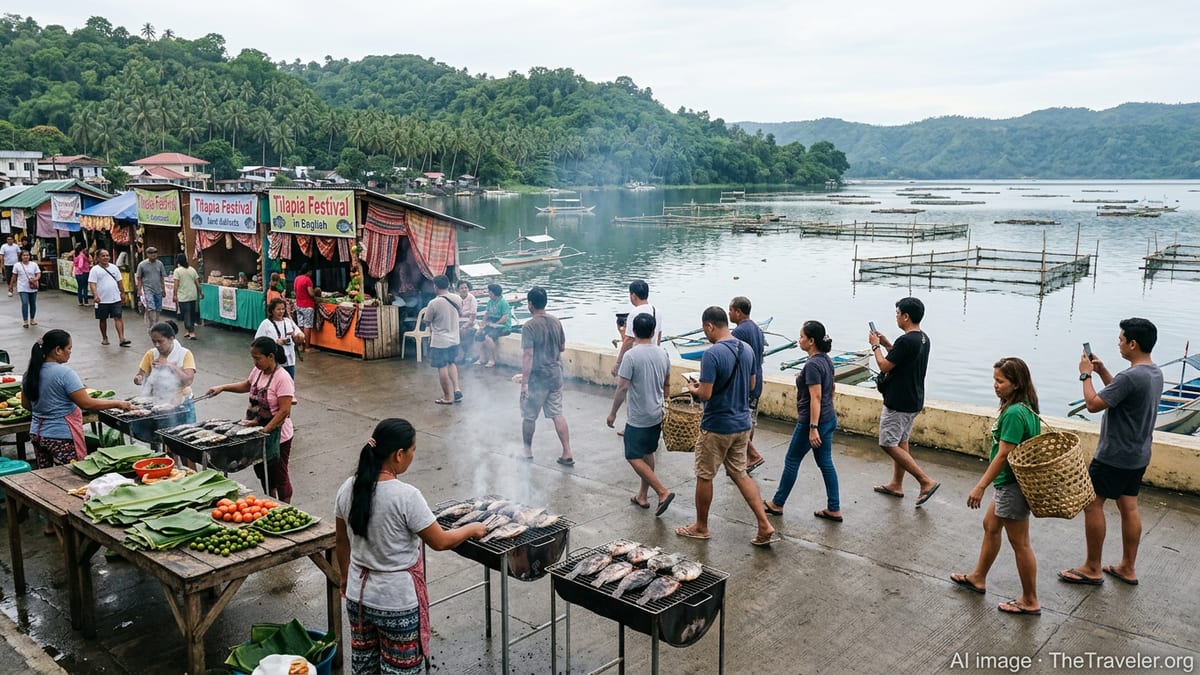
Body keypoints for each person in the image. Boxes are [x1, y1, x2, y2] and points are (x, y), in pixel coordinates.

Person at [335, 419, 487, 674]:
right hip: (396, 603)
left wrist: (343, 576)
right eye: (413, 451)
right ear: (399, 454)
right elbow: (440, 541)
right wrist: (472, 528)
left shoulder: (348, 487)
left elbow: (341, 541)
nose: (413, 457)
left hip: (358, 596)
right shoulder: (406, 496)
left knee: (365, 667)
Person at [1059, 318, 1162, 587]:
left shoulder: (1130, 376)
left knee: (1092, 504)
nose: (1118, 343)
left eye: (1120, 339)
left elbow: (1094, 405)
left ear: (1132, 343)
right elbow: (1119, 393)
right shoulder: (1153, 373)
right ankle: (1128, 567)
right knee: (1129, 507)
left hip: (1114, 455)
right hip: (1138, 454)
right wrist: (1103, 370)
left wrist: (1085, 374)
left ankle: (1092, 567)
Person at [675, 306, 777, 546]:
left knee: (704, 475)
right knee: (740, 474)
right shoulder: (747, 349)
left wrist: (694, 389)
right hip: (742, 424)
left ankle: (701, 527)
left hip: (717, 425)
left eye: (705, 330)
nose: (705, 334)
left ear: (710, 326)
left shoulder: (712, 354)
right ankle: (764, 524)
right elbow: (752, 385)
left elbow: (706, 394)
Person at [951, 357, 1043, 615]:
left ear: (1016, 383)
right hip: (1009, 485)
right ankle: (978, 577)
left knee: (1020, 543)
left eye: (1000, 381)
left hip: (1012, 486)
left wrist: (980, 486)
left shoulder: (1014, 414)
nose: (995, 386)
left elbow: (1003, 455)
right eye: (994, 380)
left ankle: (1030, 599)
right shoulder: (1026, 407)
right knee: (991, 526)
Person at [21, 330, 132, 472]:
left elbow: (26, 404)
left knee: (46, 476)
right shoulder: (65, 374)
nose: (70, 352)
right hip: (61, 437)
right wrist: (118, 403)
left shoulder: (29, 373)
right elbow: (87, 404)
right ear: (57, 350)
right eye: (69, 348)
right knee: (71, 477)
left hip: (37, 434)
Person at [764, 320, 842, 522]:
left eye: (801, 337)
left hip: (813, 422)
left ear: (811, 341)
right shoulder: (826, 360)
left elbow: (815, 397)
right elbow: (831, 390)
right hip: (829, 417)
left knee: (792, 460)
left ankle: (777, 503)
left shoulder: (813, 365)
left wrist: (813, 427)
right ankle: (834, 508)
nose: (799, 340)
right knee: (825, 463)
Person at [868, 296, 940, 506]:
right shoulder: (922, 338)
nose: (897, 317)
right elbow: (901, 357)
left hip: (898, 401)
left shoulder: (906, 340)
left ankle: (925, 481)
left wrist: (875, 347)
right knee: (901, 441)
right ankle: (896, 484)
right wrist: (887, 343)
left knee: (888, 443)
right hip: (914, 399)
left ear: (906, 317)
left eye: (898, 313)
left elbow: (884, 366)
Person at [206, 337, 296, 503]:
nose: (255, 362)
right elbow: (247, 385)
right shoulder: (258, 371)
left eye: (257, 358)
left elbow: (284, 411)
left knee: (279, 474)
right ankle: (271, 502)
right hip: (256, 431)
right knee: (263, 472)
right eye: (252, 358)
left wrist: (265, 431)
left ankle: (287, 507)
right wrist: (222, 388)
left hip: (278, 436)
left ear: (270, 356)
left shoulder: (282, 378)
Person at [607, 312, 675, 516]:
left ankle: (662, 492)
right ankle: (642, 496)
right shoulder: (663, 353)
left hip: (639, 416)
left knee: (632, 455)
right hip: (656, 413)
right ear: (653, 331)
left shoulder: (631, 355)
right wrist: (665, 406)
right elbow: (667, 384)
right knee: (648, 453)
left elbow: (622, 388)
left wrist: (612, 413)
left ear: (634, 331)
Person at [520, 286, 574, 465]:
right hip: (556, 375)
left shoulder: (529, 326)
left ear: (530, 304)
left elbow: (528, 355)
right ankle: (567, 452)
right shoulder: (556, 321)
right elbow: (562, 347)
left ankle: (527, 451)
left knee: (529, 416)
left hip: (538, 378)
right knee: (557, 414)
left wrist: (524, 383)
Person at [131, 321, 197, 446]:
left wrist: (171, 366)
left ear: (171, 339)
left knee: (183, 444)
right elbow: (140, 374)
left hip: (181, 403)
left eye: (160, 341)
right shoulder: (151, 354)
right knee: (158, 439)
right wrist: (138, 378)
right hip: (158, 403)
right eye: (153, 341)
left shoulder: (184, 354)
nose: (157, 345)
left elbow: (188, 380)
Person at [729, 296, 766, 471]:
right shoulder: (757, 329)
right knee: (750, 419)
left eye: (730, 310)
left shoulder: (738, 333)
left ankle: (750, 455)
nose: (729, 313)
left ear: (738, 312)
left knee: (741, 420)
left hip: (746, 382)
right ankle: (746, 456)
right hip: (757, 378)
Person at [612, 280, 663, 376]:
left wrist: (618, 363)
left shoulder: (634, 313)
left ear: (633, 296)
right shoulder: (657, 311)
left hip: (637, 358)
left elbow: (628, 340)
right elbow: (659, 334)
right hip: (653, 357)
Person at [425, 274, 463, 405]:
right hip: (454, 339)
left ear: (435, 286)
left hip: (440, 341)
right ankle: (457, 389)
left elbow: (427, 321)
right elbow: (461, 313)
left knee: (442, 367)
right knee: (451, 363)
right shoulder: (457, 298)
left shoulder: (433, 303)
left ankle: (447, 397)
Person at [87, 249, 131, 347]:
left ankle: (121, 338)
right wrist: (95, 295)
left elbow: (120, 281)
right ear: (98, 258)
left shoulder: (114, 268)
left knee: (118, 317)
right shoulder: (95, 270)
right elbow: (92, 284)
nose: (106, 257)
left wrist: (122, 293)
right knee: (103, 319)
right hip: (102, 299)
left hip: (115, 298)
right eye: (103, 256)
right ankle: (105, 337)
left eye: (107, 255)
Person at [256, 298, 304, 381]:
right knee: (273, 385)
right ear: (272, 310)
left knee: (288, 384)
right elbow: (258, 342)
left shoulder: (288, 321)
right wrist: (275, 343)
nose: (281, 311)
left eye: (283, 309)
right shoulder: (266, 323)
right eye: (278, 309)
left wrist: (299, 337)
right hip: (273, 362)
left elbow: (300, 335)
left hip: (289, 361)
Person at [475, 283, 512, 368]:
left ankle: (492, 359)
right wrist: (482, 325)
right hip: (492, 324)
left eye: (489, 292)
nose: (488, 294)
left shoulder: (503, 303)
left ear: (493, 293)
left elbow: (505, 317)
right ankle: (482, 358)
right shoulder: (490, 302)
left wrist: (496, 324)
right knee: (478, 335)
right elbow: (487, 314)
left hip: (503, 326)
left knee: (488, 337)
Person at [135, 246, 167, 331]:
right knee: (151, 306)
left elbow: (162, 277)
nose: (153, 255)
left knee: (158, 308)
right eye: (151, 253)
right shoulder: (142, 265)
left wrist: (163, 289)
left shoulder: (160, 264)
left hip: (158, 288)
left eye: (155, 253)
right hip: (148, 288)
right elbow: (139, 278)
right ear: (147, 254)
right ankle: (153, 325)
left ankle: (156, 322)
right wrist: (139, 289)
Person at [173, 253, 202, 340]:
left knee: (186, 314)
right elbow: (198, 284)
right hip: (193, 295)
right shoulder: (192, 270)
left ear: (178, 261)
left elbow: (176, 285)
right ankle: (187, 331)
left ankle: (192, 332)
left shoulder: (177, 271)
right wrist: (201, 293)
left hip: (183, 296)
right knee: (191, 313)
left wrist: (174, 295)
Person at [10, 249, 40, 328]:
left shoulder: (34, 264)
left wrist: (35, 279)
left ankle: (32, 319)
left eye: (27, 255)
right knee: (25, 303)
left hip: (33, 287)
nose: (26, 257)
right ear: (21, 257)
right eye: (24, 255)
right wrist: (11, 286)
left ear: (29, 256)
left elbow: (38, 274)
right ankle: (25, 321)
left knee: (33, 303)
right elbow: (14, 276)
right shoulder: (17, 265)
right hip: (22, 287)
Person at [293, 266, 318, 351]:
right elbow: (311, 293)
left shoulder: (297, 278)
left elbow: (295, 290)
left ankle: (300, 346)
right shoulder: (307, 280)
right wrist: (316, 294)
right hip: (307, 306)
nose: (311, 274)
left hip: (298, 305)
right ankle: (307, 347)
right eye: (310, 272)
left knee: (301, 325)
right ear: (308, 272)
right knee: (307, 326)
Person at [456, 280, 478, 364]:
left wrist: (465, 325)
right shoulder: (456, 298)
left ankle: (465, 355)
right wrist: (466, 313)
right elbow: (456, 313)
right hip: (457, 322)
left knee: (464, 332)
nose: (464, 289)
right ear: (458, 289)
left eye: (466, 287)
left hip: (469, 322)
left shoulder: (472, 298)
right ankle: (460, 354)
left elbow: (473, 315)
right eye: (462, 288)